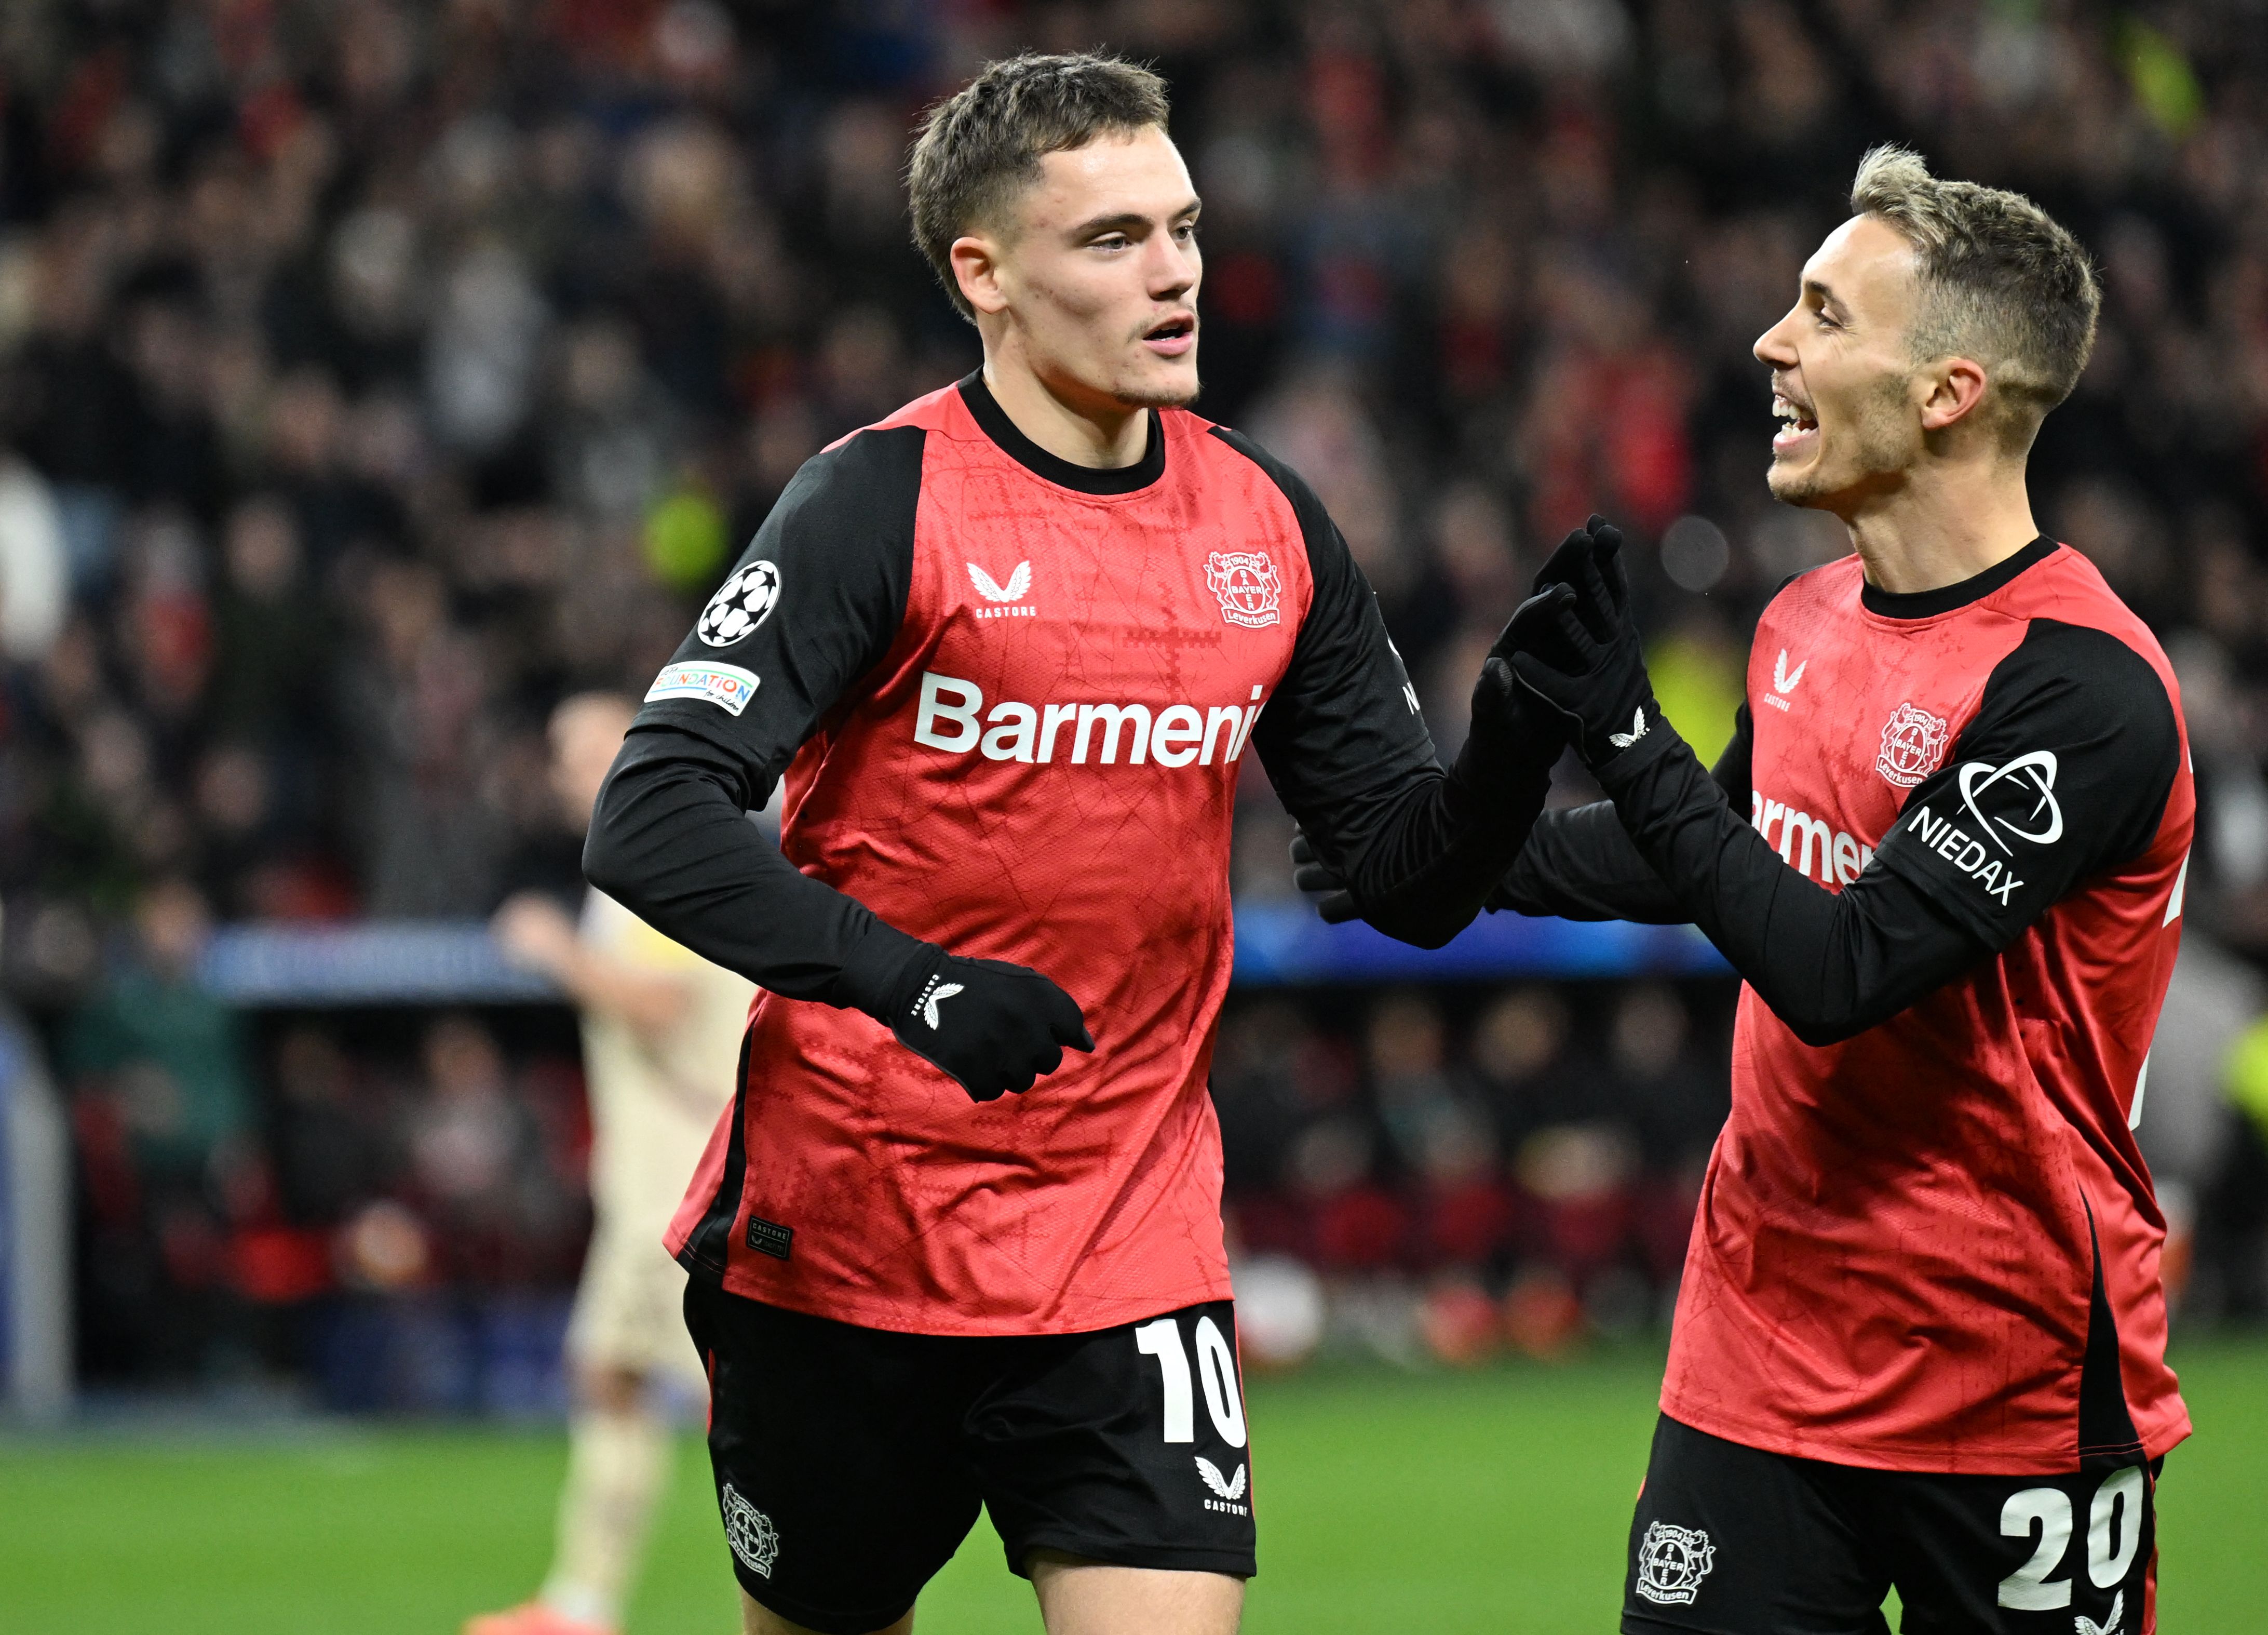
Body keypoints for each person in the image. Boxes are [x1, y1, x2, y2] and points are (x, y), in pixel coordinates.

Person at [580, 51, 1565, 1635]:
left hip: (1127, 1236)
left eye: (1179, 226)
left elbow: (1399, 867)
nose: (1173, 270)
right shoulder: (876, 502)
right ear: (985, 273)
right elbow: (652, 812)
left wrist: (1511, 747)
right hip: (843, 1236)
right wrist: (913, 986)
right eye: (1112, 239)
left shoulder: (1269, 522)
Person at [1301, 147, 2190, 1633]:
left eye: (1826, 315)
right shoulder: (1807, 614)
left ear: (1950, 391)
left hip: (2014, 1375)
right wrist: (1445, 858)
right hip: (1762, 1345)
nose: (1773, 344)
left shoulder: (2084, 692)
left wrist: (1628, 726)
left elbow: (1839, 968)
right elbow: (1705, 848)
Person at [467, 693, 754, 1635]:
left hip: (681, 1178)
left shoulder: (653, 851)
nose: (578, 765)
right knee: (616, 1375)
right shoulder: (657, 847)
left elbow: (660, 1002)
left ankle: (829, 1576)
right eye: (566, 751)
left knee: (739, 1400)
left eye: (596, 744)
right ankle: (581, 1604)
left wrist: (550, 951)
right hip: (672, 1171)